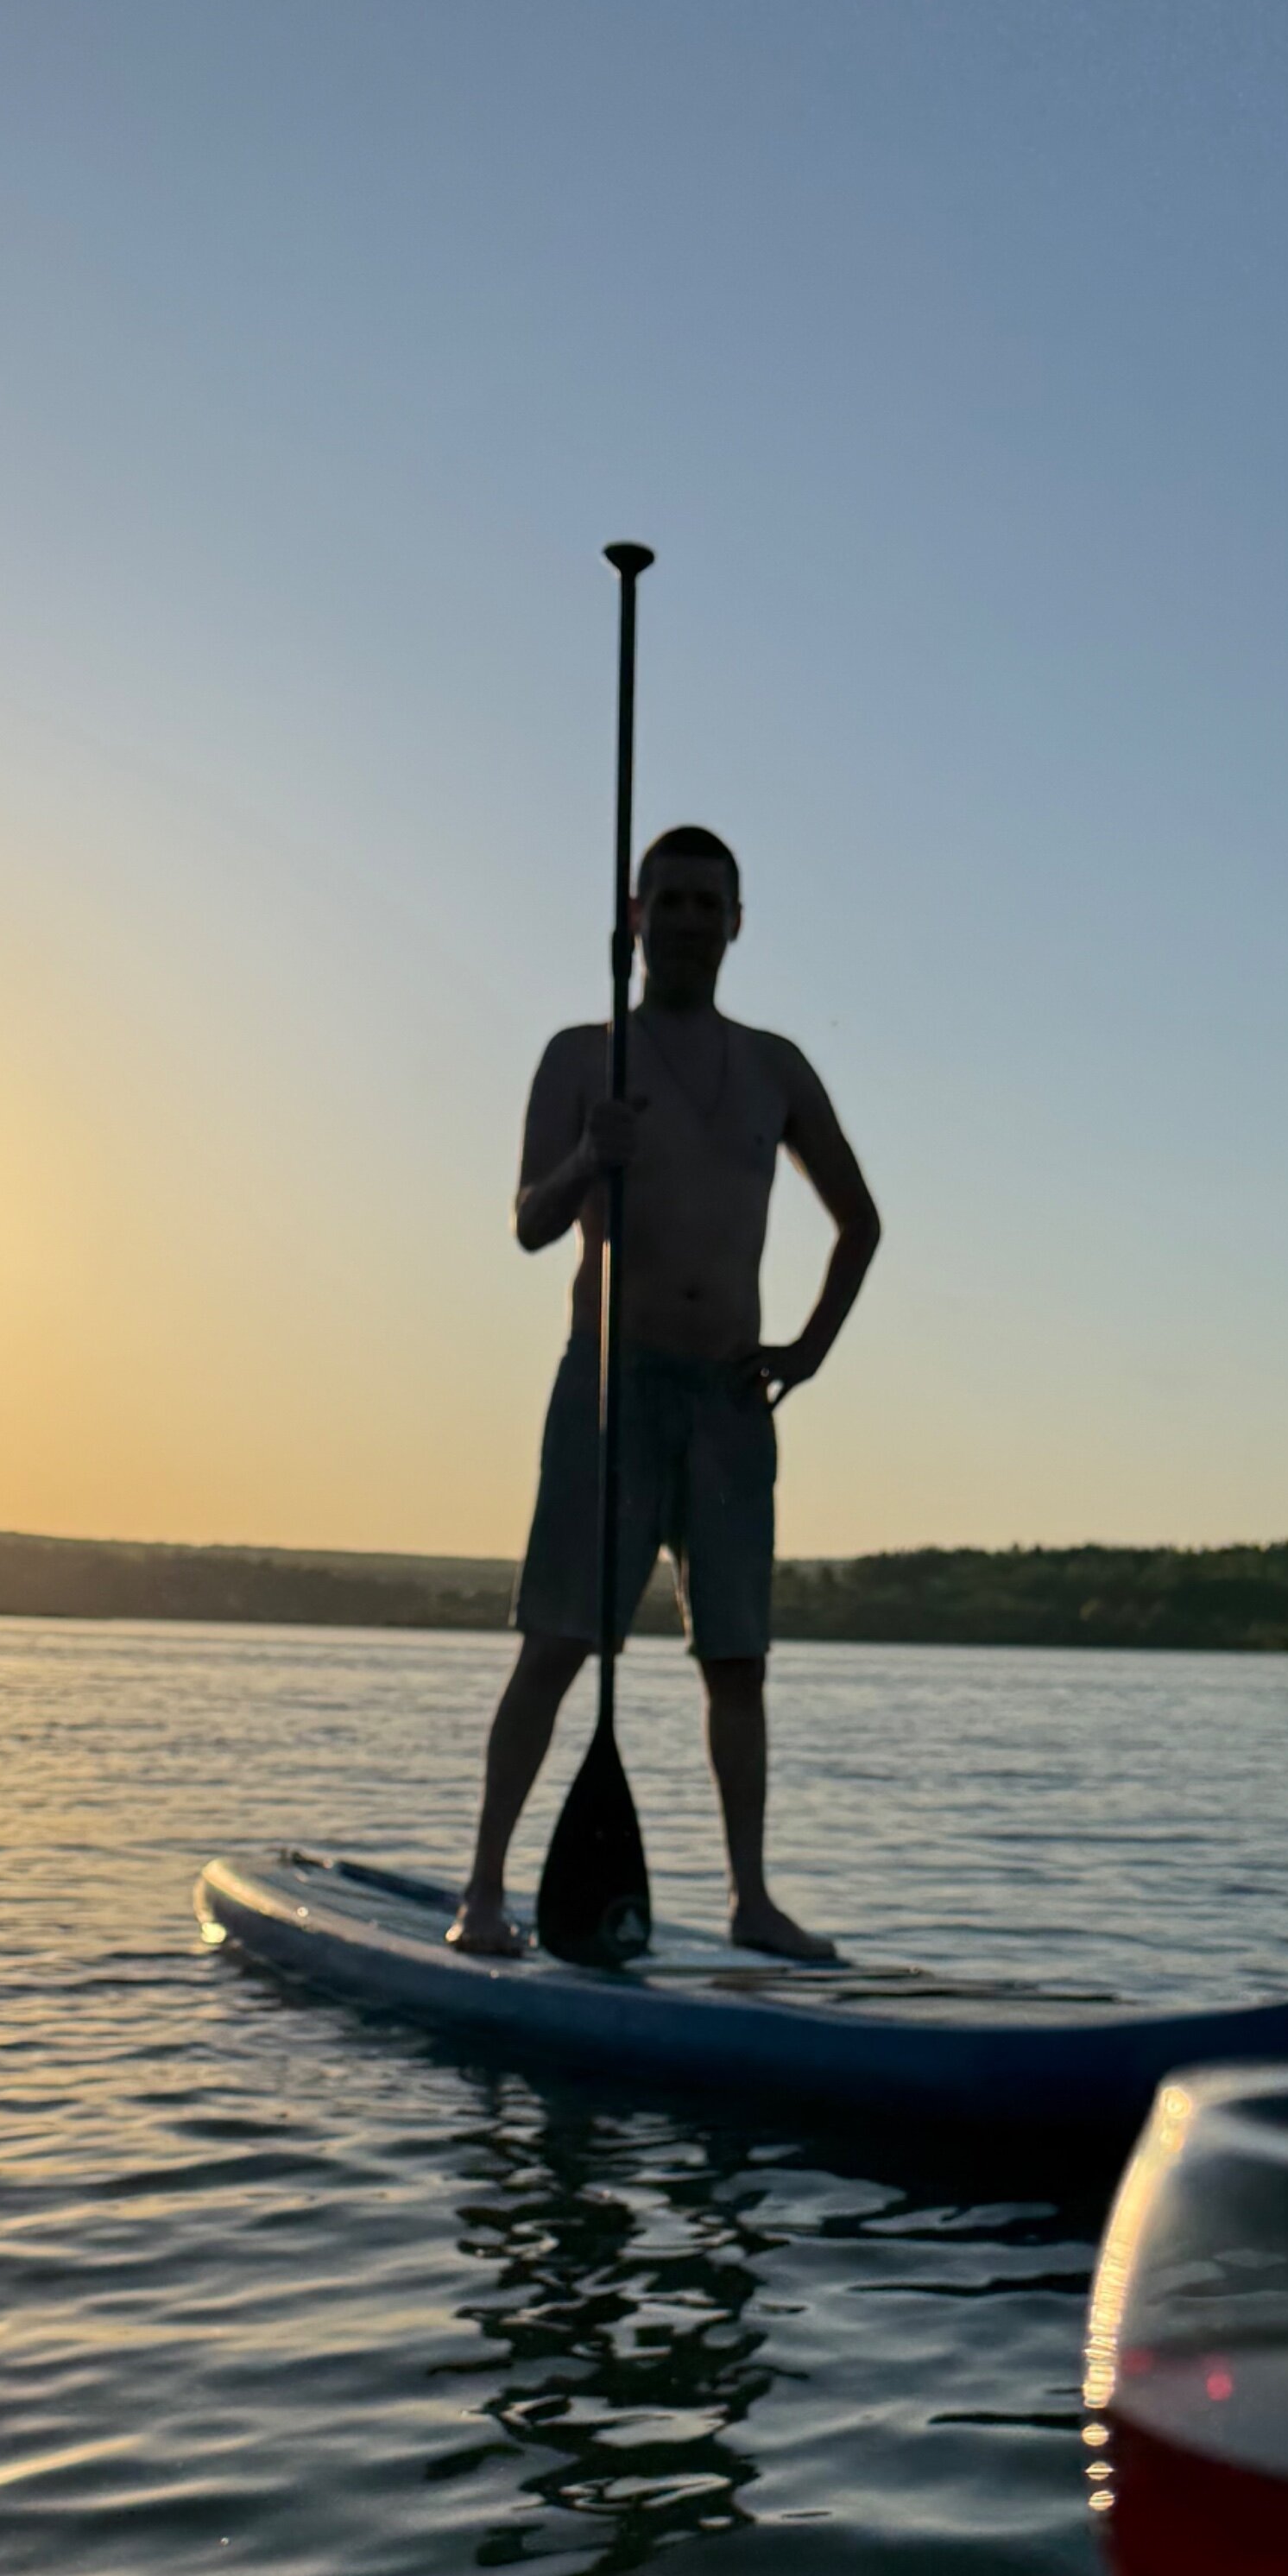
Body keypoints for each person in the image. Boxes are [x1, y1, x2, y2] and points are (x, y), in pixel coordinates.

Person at [451, 824, 881, 1961]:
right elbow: (529, 1228)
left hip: (732, 1401)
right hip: (608, 1391)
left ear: (736, 923)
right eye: (669, 900)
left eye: (708, 902)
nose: (689, 918)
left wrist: (809, 1350)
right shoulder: (581, 1058)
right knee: (555, 1645)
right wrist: (592, 1158)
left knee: (735, 1661)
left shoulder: (776, 1067)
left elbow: (860, 1222)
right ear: (633, 920)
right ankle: (482, 1893)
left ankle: (750, 1900)